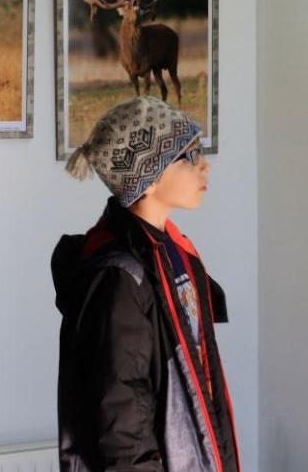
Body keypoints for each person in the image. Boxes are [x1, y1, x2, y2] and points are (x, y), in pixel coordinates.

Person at [52, 96, 240, 472]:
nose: (204, 166)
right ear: (150, 177)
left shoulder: (174, 253)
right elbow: (122, 430)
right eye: (188, 155)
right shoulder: (120, 279)